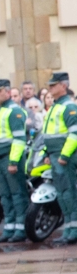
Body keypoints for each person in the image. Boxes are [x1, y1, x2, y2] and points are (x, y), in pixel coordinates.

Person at [0, 79, 29, 242]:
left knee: (17, 194)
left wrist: (13, 162)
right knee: (5, 196)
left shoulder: (14, 111)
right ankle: (9, 227)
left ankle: (21, 228)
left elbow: (19, 140)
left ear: (8, 91)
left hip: (10, 158)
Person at [42, 72, 77, 244]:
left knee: (69, 192)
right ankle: (69, 228)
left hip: (65, 157)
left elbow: (75, 134)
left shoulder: (68, 107)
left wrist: (64, 155)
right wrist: (47, 154)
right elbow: (48, 135)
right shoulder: (54, 107)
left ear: (64, 86)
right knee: (63, 194)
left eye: (53, 85)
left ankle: (74, 229)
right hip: (55, 156)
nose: (50, 88)